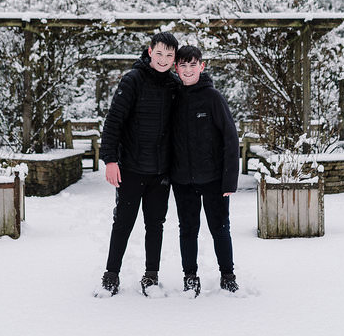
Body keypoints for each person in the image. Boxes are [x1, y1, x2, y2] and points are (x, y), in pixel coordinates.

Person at [96, 31, 180, 297]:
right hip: (131, 168)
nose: (164, 59)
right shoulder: (132, 80)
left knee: (155, 225)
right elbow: (114, 121)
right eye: (160, 53)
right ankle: (111, 276)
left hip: (161, 172)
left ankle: (151, 276)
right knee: (123, 223)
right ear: (149, 51)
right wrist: (110, 160)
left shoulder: (174, 85)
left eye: (169, 55)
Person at [170, 44, 240, 295]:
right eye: (183, 65)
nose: (188, 70)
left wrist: (229, 180)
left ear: (202, 66)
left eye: (193, 65)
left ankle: (228, 275)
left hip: (213, 179)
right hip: (182, 180)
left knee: (220, 228)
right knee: (188, 229)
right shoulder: (173, 97)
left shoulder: (213, 98)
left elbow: (231, 139)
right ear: (176, 67)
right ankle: (190, 275)